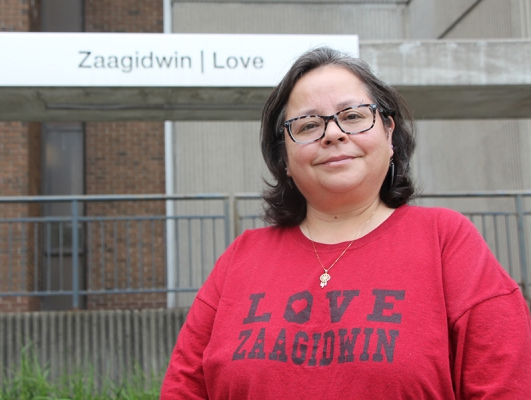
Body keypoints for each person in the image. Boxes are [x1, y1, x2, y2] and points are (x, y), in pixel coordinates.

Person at [160, 47, 531, 399]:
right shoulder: (240, 258)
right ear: (284, 158)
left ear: (389, 134)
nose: (334, 133)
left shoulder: (446, 240)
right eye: (307, 125)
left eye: (353, 116)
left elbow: (506, 384)